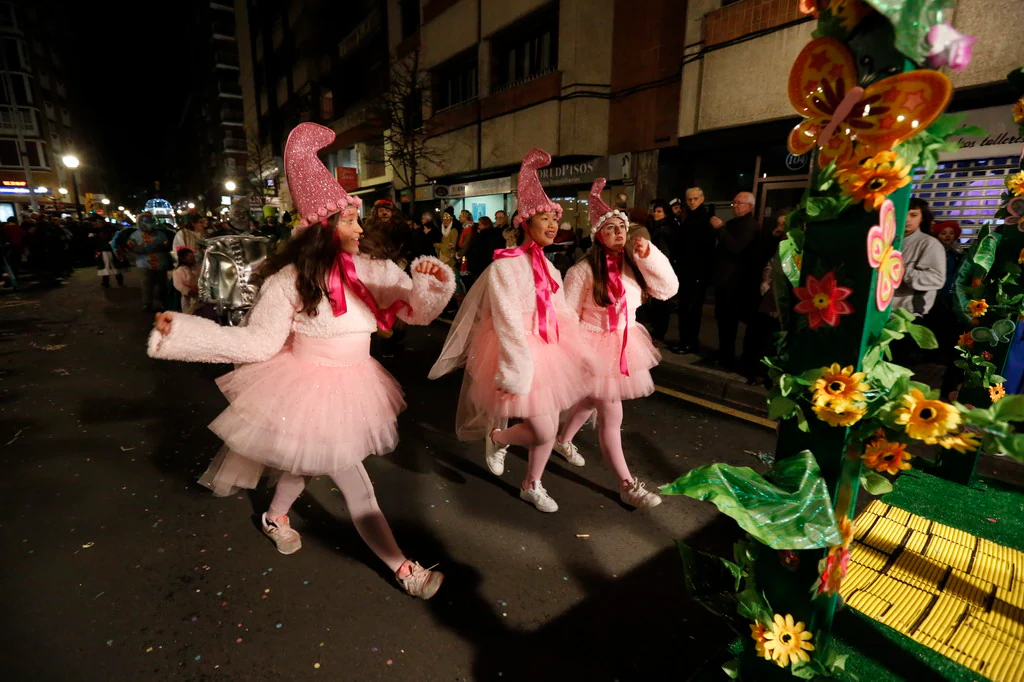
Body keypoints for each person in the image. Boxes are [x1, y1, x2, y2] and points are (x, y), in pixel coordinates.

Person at [147, 122, 455, 598]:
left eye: (357, 216)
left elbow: (415, 311)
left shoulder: (373, 270)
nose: (360, 226)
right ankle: (404, 569)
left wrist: (433, 285)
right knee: (355, 482)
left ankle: (273, 516)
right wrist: (183, 333)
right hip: (308, 386)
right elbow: (254, 345)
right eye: (350, 218)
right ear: (323, 227)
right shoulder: (288, 281)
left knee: (303, 465)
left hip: (357, 386)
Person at [429, 148, 590, 513]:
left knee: (546, 427)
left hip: (549, 352)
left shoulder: (551, 269)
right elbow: (507, 319)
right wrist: (520, 365)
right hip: (517, 352)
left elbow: (563, 313)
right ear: (524, 222)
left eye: (555, 219)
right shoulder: (506, 266)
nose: (552, 225)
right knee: (545, 430)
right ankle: (498, 437)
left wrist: (581, 352)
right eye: (545, 218)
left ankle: (531, 484)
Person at [553, 179, 679, 508]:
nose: (619, 232)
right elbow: (565, 316)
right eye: (610, 228)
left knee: (594, 402)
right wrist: (576, 355)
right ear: (598, 235)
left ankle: (562, 440)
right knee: (611, 412)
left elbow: (668, 289)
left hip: (625, 342)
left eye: (622, 227)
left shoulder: (633, 264)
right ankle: (628, 484)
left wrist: (649, 255)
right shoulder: (581, 271)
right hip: (591, 347)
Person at [712, 192, 760, 369]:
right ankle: (723, 351)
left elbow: (735, 248)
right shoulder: (732, 224)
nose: (735, 206)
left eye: (739, 203)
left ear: (749, 206)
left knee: (729, 321)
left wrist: (720, 229)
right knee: (723, 320)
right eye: (733, 203)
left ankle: (728, 356)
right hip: (724, 279)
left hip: (735, 282)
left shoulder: (750, 226)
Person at [670, 188, 716, 354]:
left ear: (701, 199)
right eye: (689, 199)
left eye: (695, 199)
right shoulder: (690, 217)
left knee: (690, 309)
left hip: (696, 272)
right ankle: (686, 341)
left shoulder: (703, 219)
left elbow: (705, 249)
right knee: (686, 309)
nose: (692, 202)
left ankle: (688, 343)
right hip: (689, 271)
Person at [892, 198, 945, 317]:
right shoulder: (888, 241)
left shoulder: (929, 244)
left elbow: (937, 279)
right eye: (903, 214)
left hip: (908, 314)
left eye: (913, 215)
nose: (907, 219)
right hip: (881, 310)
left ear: (922, 218)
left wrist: (901, 271)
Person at [127, 212, 172, 311]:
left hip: (161, 264)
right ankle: (147, 303)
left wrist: (158, 246)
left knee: (162, 285)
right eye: (146, 221)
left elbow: (166, 246)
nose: (149, 223)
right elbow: (131, 248)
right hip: (144, 264)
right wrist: (142, 249)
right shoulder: (135, 235)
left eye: (151, 221)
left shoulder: (160, 234)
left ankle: (163, 302)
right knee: (146, 285)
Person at [644, 200, 675, 346]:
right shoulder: (657, 227)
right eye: (655, 211)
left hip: (661, 270)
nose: (656, 214)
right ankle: (657, 331)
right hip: (656, 269)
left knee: (662, 303)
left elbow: (664, 251)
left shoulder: (665, 229)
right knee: (657, 302)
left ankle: (660, 333)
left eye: (659, 212)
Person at [466, 215, 507, 280]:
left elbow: (475, 251)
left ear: (485, 225)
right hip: (489, 264)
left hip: (481, 265)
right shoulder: (495, 234)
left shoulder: (482, 236)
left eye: (480, 225)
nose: (479, 227)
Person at [93, 218, 126, 288]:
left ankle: (107, 283)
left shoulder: (105, 231)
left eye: (98, 223)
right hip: (109, 250)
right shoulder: (109, 229)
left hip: (106, 250)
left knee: (107, 266)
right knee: (112, 266)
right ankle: (116, 282)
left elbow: (103, 240)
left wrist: (95, 237)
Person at [171, 246, 200, 312]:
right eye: (188, 256)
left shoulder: (198, 267)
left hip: (199, 294)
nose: (192, 257)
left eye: (192, 256)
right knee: (189, 311)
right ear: (183, 259)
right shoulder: (179, 271)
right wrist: (188, 291)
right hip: (187, 296)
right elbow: (178, 284)